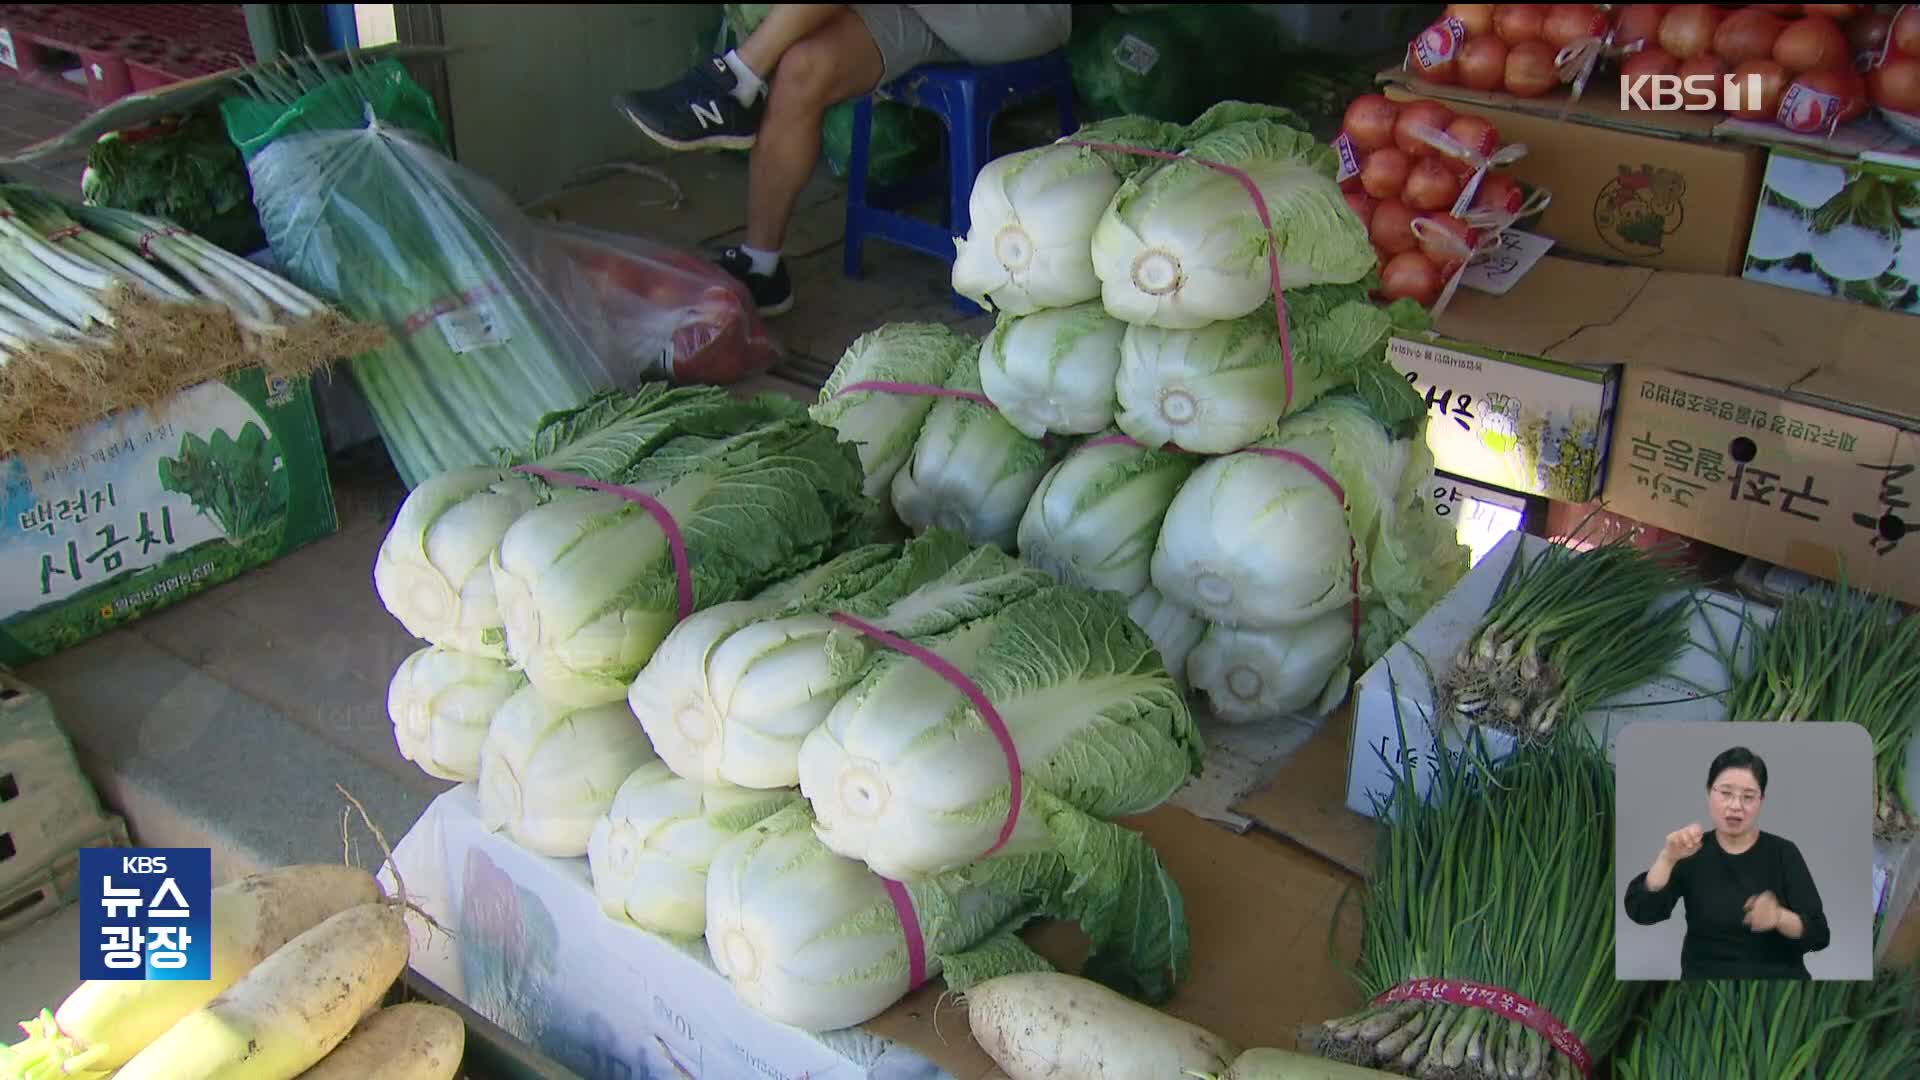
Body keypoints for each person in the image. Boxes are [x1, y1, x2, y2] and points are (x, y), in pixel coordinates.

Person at [614, 4, 1073, 315]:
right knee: (803, 69)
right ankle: (762, 267)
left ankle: (733, 79)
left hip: (1012, 15)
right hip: (927, 14)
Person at [1623, 746, 1832, 980]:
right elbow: (1641, 912)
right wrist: (1667, 859)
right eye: (1725, 793)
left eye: (1748, 797)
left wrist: (1780, 917)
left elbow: (1820, 934)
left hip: (1777, 985)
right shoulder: (1691, 850)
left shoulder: (1784, 853)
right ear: (1708, 793)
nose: (1735, 805)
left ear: (1761, 801)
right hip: (1704, 987)